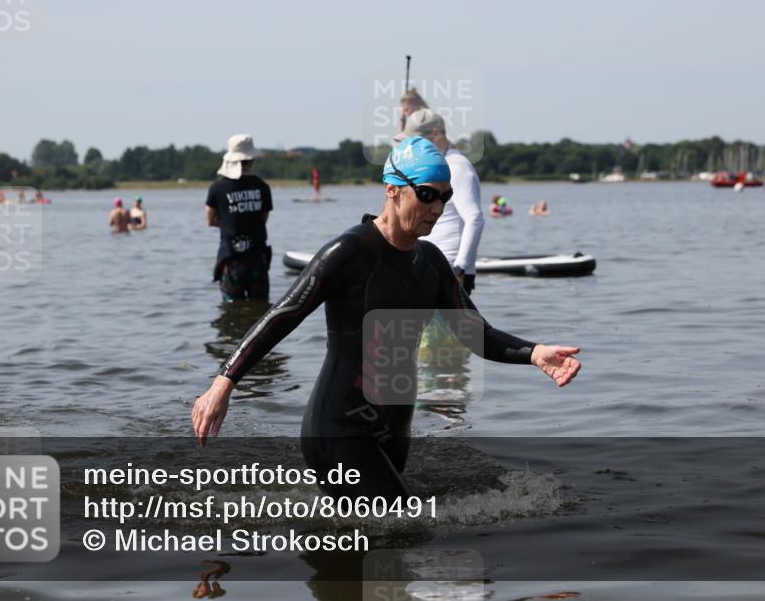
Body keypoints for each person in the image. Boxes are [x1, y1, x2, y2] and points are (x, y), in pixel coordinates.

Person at [191, 136, 582, 499]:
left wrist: (534, 353)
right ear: (393, 189)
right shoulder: (349, 252)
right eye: (427, 195)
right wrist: (225, 382)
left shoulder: (431, 262)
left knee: (397, 545)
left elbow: (476, 333)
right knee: (405, 522)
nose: (437, 208)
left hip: (394, 431)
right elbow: (283, 315)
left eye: (445, 197)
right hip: (338, 430)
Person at [396, 109, 484, 295]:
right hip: (431, 266)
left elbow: (475, 218)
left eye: (416, 141)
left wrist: (460, 268)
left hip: (450, 268)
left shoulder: (456, 166)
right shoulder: (441, 165)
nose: (412, 147)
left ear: (435, 134)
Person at [205, 134, 273, 301]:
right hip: (257, 259)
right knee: (261, 308)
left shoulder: (217, 188)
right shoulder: (262, 187)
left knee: (231, 309)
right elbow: (263, 219)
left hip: (231, 260)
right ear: (251, 160)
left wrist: (229, 223)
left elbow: (210, 220)